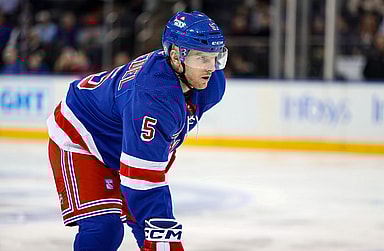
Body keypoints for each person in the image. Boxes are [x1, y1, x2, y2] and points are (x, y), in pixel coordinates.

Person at [46, 11, 228, 251]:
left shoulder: (211, 85)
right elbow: (142, 180)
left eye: (216, 57)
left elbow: (155, 153)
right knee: (104, 229)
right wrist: (164, 238)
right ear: (175, 56)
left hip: (124, 141)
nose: (211, 67)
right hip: (81, 136)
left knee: (146, 223)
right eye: (201, 58)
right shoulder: (152, 97)